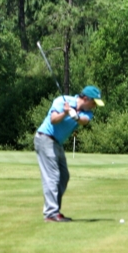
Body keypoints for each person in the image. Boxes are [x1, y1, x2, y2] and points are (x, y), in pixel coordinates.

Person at [34, 85, 104, 222]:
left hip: (57, 143)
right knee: (52, 176)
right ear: (86, 98)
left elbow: (84, 121)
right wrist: (65, 113)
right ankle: (51, 213)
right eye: (94, 102)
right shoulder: (62, 101)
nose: (95, 106)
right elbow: (53, 120)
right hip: (45, 138)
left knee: (64, 176)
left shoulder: (87, 112)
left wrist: (75, 116)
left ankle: (55, 211)